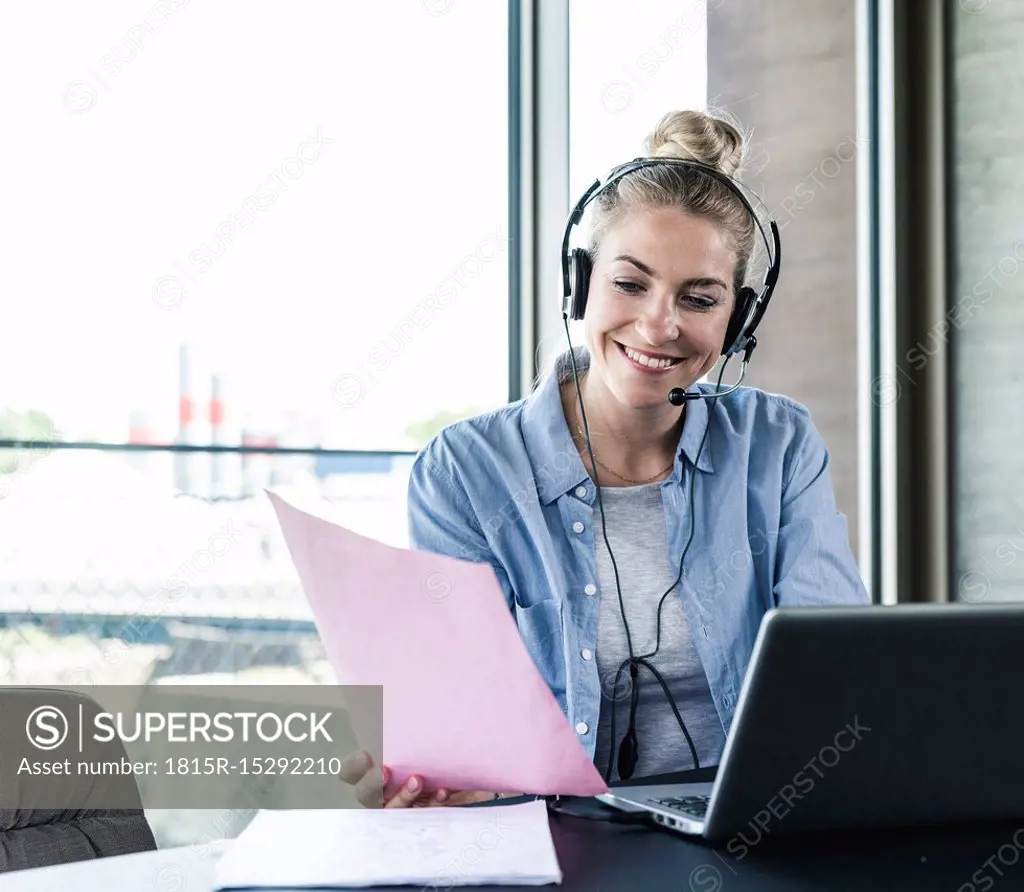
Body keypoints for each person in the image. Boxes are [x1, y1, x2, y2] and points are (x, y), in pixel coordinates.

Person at [341, 108, 869, 808]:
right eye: (630, 283)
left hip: (748, 834)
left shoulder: (777, 446)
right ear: (581, 283)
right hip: (553, 841)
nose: (660, 323)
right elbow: (464, 717)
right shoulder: (465, 473)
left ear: (736, 322)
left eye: (699, 298)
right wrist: (435, 778)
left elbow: (837, 674)